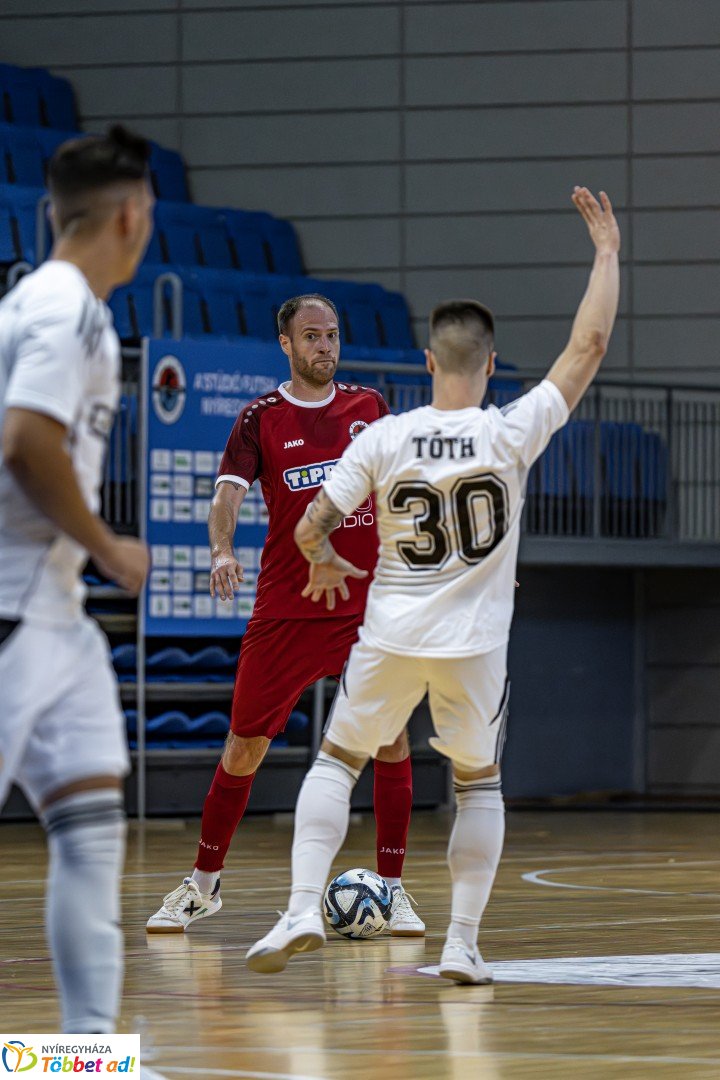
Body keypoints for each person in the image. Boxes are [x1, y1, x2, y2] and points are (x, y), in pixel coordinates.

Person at [245, 186, 621, 982]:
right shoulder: (510, 431)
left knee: (336, 761)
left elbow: (311, 522)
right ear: (489, 363)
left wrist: (317, 554)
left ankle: (298, 910)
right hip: (474, 647)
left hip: (388, 634)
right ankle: (461, 945)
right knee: (478, 781)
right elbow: (585, 346)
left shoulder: (384, 435)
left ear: (426, 362)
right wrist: (608, 256)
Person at [147, 294, 425, 936]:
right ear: (286, 344)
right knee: (244, 748)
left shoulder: (369, 408)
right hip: (287, 610)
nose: (325, 346)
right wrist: (221, 551)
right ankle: (203, 886)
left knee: (391, 737)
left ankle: (392, 888)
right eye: (311, 336)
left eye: (332, 334)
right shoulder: (260, 419)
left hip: (365, 609)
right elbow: (227, 492)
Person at [0, 127, 153, 1032]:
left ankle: (86, 1058)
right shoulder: (67, 309)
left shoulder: (35, 301)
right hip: (12, 614)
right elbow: (26, 442)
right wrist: (107, 544)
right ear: (132, 216)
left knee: (92, 839)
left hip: (54, 620)